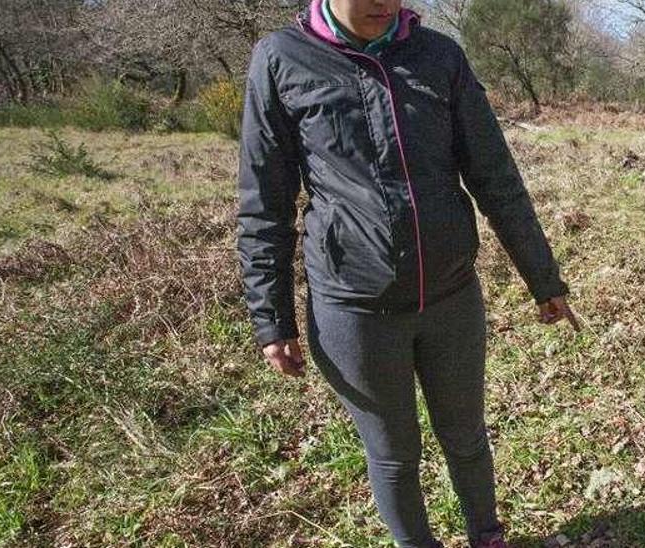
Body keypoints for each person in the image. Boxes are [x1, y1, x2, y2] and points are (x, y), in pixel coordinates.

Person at [234, 1, 578, 546]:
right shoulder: (281, 59)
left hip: (451, 299)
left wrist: (543, 278)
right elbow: (264, 202)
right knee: (393, 453)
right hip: (353, 309)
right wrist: (271, 317)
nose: (381, 4)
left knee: (466, 437)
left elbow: (495, 175)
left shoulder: (439, 56)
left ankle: (487, 537)